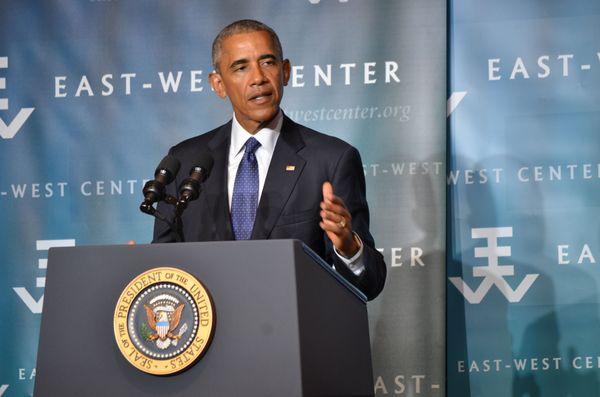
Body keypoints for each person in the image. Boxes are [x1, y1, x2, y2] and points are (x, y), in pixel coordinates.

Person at [153, 19, 386, 300]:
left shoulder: (331, 160)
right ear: (218, 84)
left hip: (294, 336)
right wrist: (138, 267)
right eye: (240, 67)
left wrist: (348, 248)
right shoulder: (184, 162)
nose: (258, 78)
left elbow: (369, 284)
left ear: (285, 72)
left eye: (268, 63)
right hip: (207, 336)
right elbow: (163, 268)